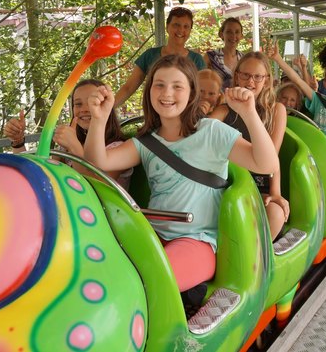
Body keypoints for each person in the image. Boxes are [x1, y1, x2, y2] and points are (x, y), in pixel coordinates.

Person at [84, 55, 278, 292]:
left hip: (198, 239)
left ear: (191, 93)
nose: (167, 93)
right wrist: (99, 119)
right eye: (159, 85)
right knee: (102, 270)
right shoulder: (146, 142)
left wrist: (249, 114)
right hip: (152, 234)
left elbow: (266, 164)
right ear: (149, 92)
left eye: (177, 86)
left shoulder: (212, 132)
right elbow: (98, 162)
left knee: (152, 280)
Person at [210, 52, 289, 240]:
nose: (250, 82)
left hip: (259, 184)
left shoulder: (276, 110)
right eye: (245, 75)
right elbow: (202, 137)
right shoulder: (223, 110)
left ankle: (256, 261)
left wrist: (275, 193)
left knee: (276, 214)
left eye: (257, 77)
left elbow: (272, 157)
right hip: (226, 185)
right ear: (237, 76)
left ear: (267, 80)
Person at [4, 79, 132, 188]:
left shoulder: (118, 148)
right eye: (78, 104)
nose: (84, 109)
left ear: (107, 106)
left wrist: (74, 147)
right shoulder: (66, 146)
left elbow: (98, 189)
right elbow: (42, 173)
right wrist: (18, 141)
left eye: (92, 103)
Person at [114, 7, 206, 107]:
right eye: (176, 25)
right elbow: (128, 88)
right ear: (167, 27)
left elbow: (203, 93)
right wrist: (108, 109)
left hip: (186, 117)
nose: (181, 30)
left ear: (190, 31)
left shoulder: (197, 60)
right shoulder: (150, 55)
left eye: (186, 27)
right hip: (154, 115)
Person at [204, 17, 245, 89]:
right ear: (221, 34)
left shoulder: (245, 59)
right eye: (229, 32)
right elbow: (200, 81)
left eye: (237, 32)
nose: (233, 36)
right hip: (216, 99)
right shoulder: (210, 57)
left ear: (241, 36)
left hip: (239, 98)